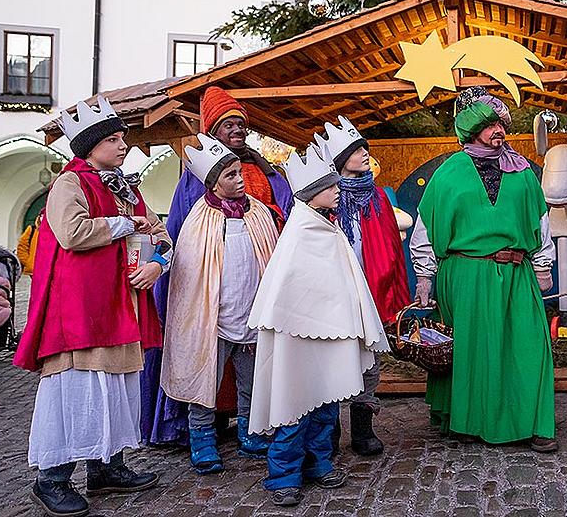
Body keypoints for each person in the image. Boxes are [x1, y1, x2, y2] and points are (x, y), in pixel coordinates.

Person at [13, 96, 171, 517]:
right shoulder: (70, 183)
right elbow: (71, 232)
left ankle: (107, 468)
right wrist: (125, 224)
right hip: (81, 309)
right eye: (115, 139)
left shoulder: (125, 187)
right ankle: (51, 479)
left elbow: (161, 233)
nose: (124, 146)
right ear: (91, 144)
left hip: (123, 307)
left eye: (124, 138)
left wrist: (157, 264)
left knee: (116, 389)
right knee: (76, 391)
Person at [409, 88, 557, 451]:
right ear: (471, 128)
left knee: (527, 346)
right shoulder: (448, 173)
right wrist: (425, 277)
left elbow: (540, 222)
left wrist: (542, 266)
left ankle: (534, 422)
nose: (498, 131)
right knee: (472, 351)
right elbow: (426, 227)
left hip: (516, 273)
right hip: (464, 275)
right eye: (489, 124)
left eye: (501, 123)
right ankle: (467, 419)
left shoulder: (522, 173)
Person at [145, 85, 292, 446]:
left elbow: (286, 211)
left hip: (253, 287)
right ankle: (203, 432)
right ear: (214, 131)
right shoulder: (196, 184)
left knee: (250, 370)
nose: (238, 130)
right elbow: (183, 237)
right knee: (204, 362)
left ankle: (250, 426)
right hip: (212, 292)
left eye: (241, 124)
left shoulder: (266, 171)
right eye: (228, 125)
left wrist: (273, 218)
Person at [247, 144, 389, 507]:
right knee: (293, 408)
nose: (338, 191)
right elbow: (289, 291)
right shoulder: (299, 234)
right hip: (297, 340)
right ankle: (284, 474)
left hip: (330, 335)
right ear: (314, 194)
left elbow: (344, 282)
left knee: (325, 405)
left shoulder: (328, 229)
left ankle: (319, 463)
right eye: (332, 187)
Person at [161, 134, 278, 474]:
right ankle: (202, 439)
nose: (240, 180)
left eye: (240, 173)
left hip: (251, 312)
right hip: (212, 315)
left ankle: (251, 432)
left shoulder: (257, 213)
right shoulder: (200, 219)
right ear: (213, 182)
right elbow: (190, 275)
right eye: (231, 176)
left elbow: (268, 256)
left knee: (252, 381)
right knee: (204, 380)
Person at [312, 116, 410, 456]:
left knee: (368, 362)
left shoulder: (378, 198)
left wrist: (390, 293)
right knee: (334, 359)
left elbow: (391, 250)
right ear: (340, 161)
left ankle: (363, 428)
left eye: (364, 147)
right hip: (335, 292)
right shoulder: (325, 199)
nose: (364, 153)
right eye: (356, 150)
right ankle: (330, 430)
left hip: (370, 290)